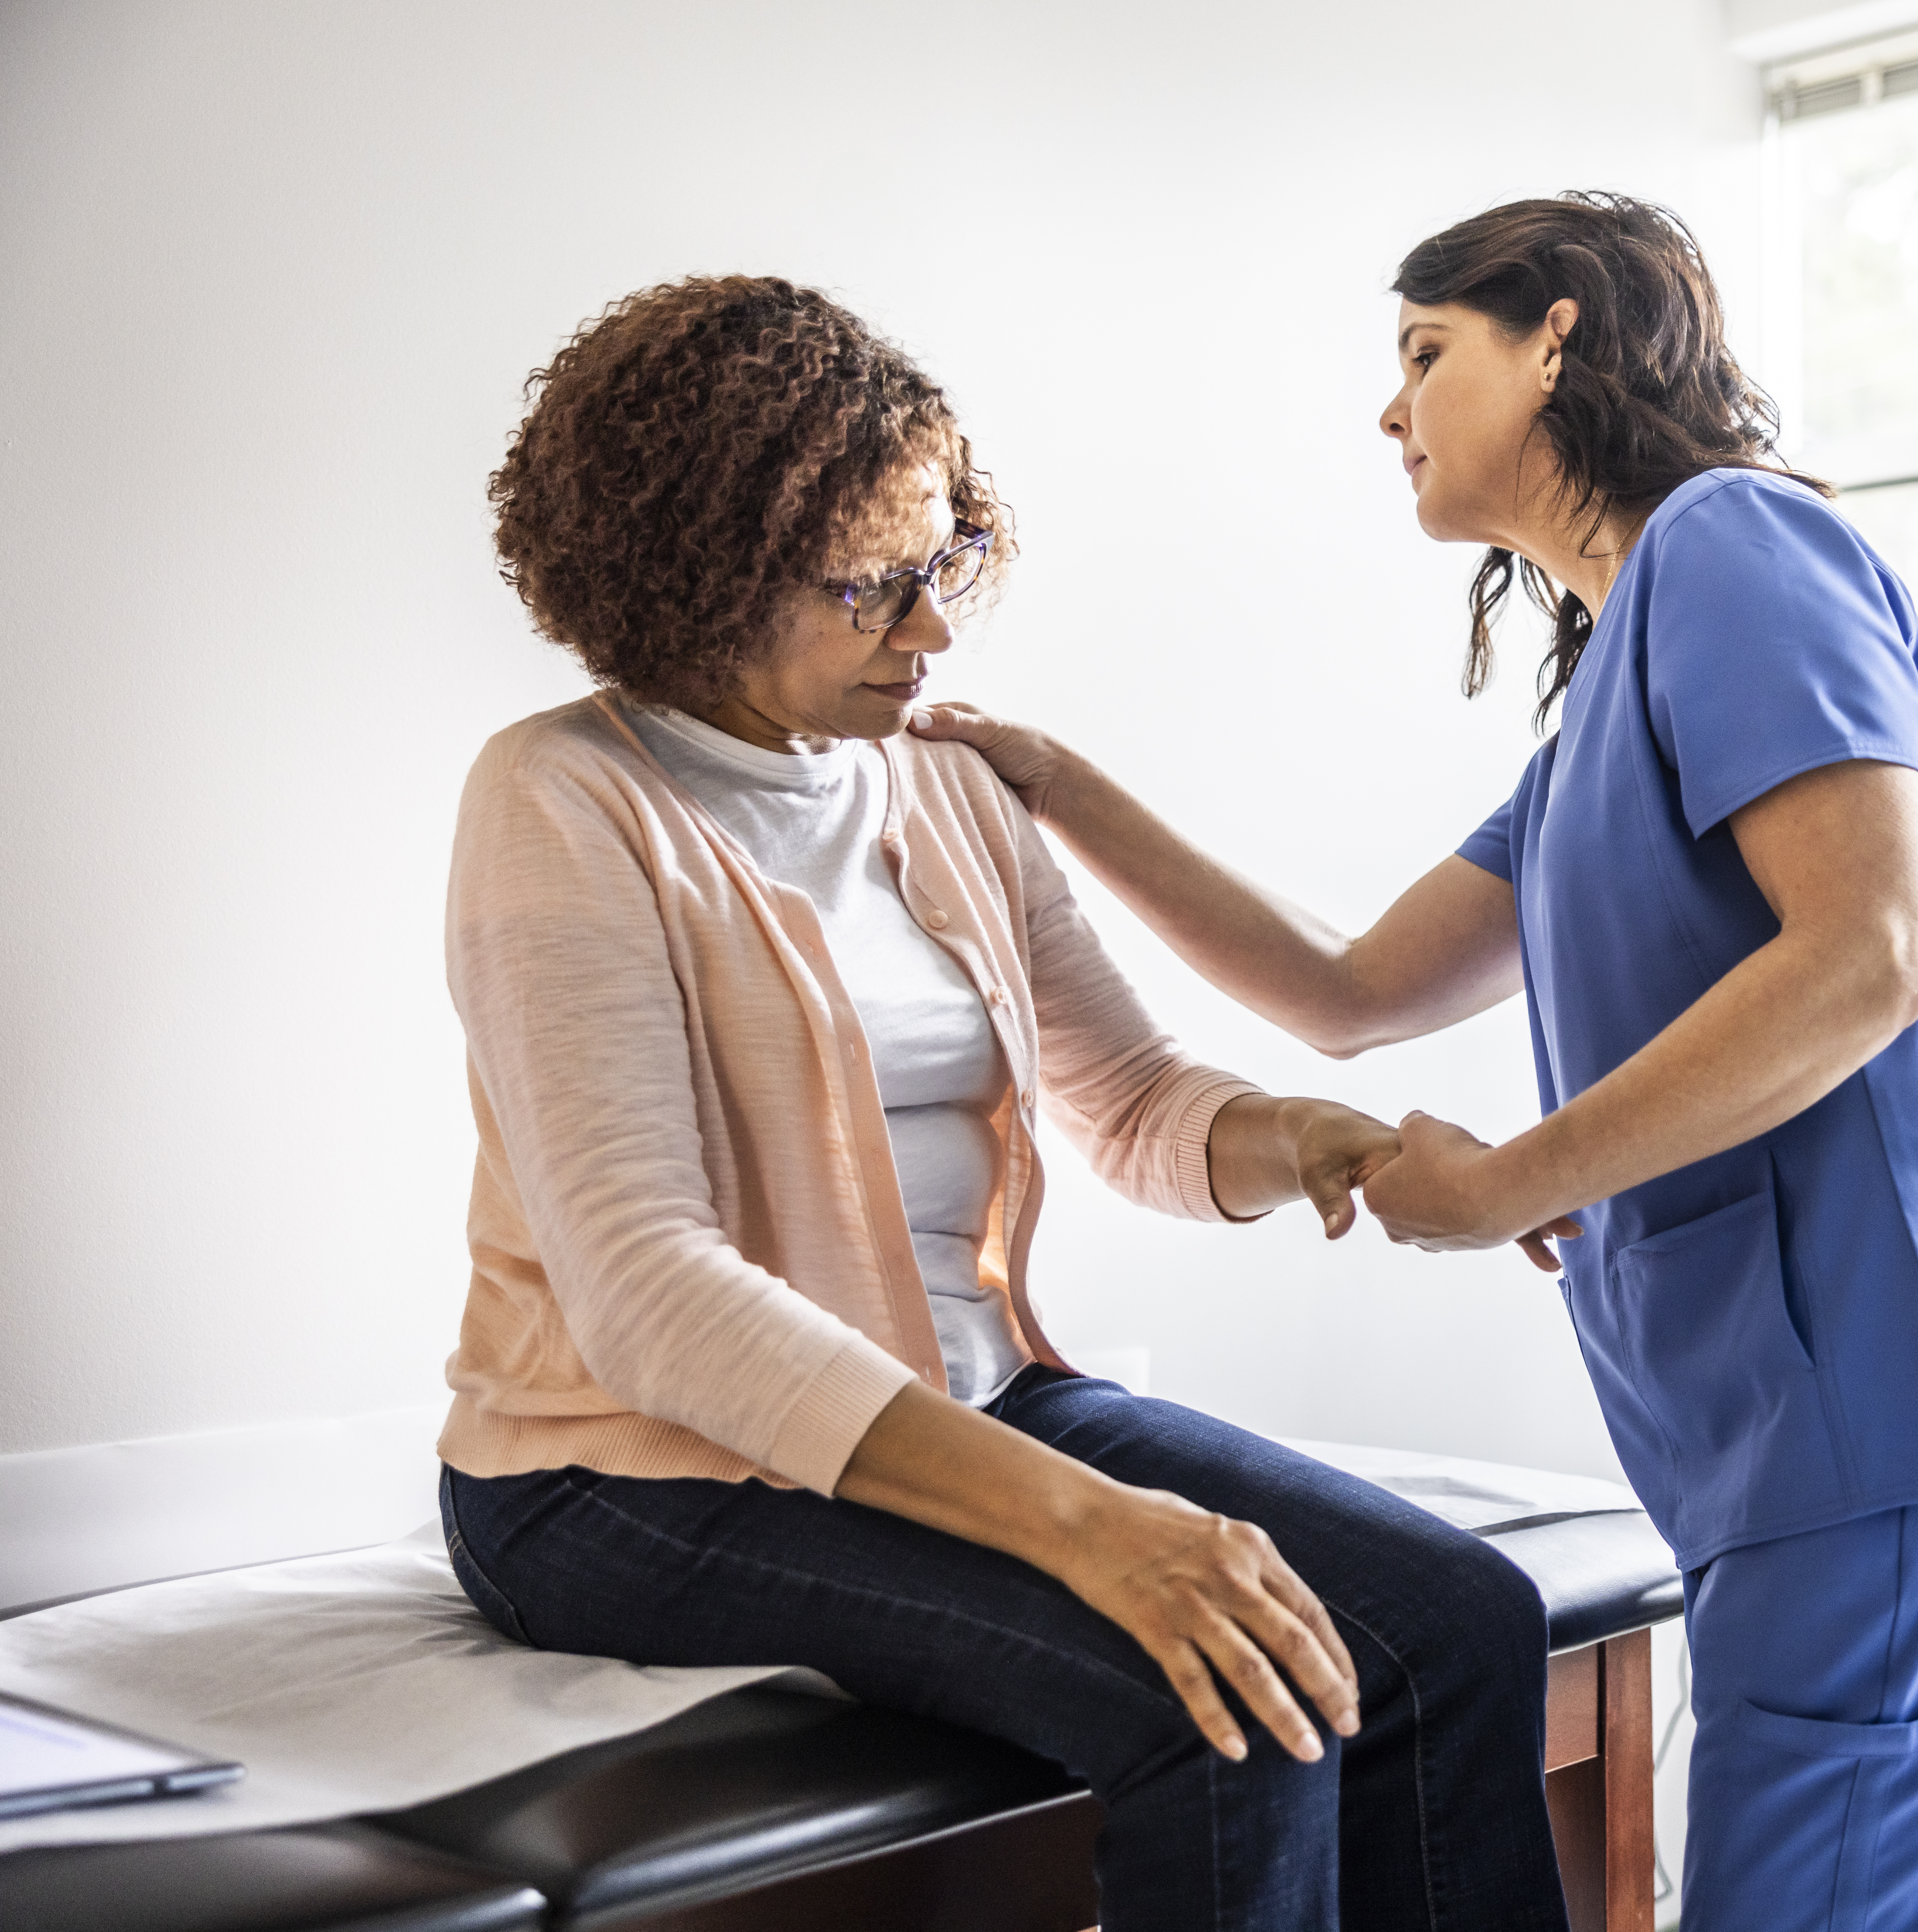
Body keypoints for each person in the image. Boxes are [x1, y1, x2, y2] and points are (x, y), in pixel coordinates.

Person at [914, 193, 1918, 1931]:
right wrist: (1047, 782)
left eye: (1425, 354)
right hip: (1812, 1458)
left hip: (1902, 1410)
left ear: (1556, 335)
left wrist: (1514, 1180)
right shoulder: (1600, 713)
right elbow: (1346, 992)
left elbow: (1868, 955)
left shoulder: (1734, 546)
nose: (1391, 409)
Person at [437, 274, 1570, 1932]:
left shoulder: (943, 781)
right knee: (1229, 1702)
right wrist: (1100, 1529)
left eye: (942, 563)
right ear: (700, 579)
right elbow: (651, 1297)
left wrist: (1316, 1141)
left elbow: (1126, 1097)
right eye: (875, 587)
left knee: (1459, 1623)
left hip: (955, 1401)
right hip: (621, 1478)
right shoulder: (564, 799)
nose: (934, 629)